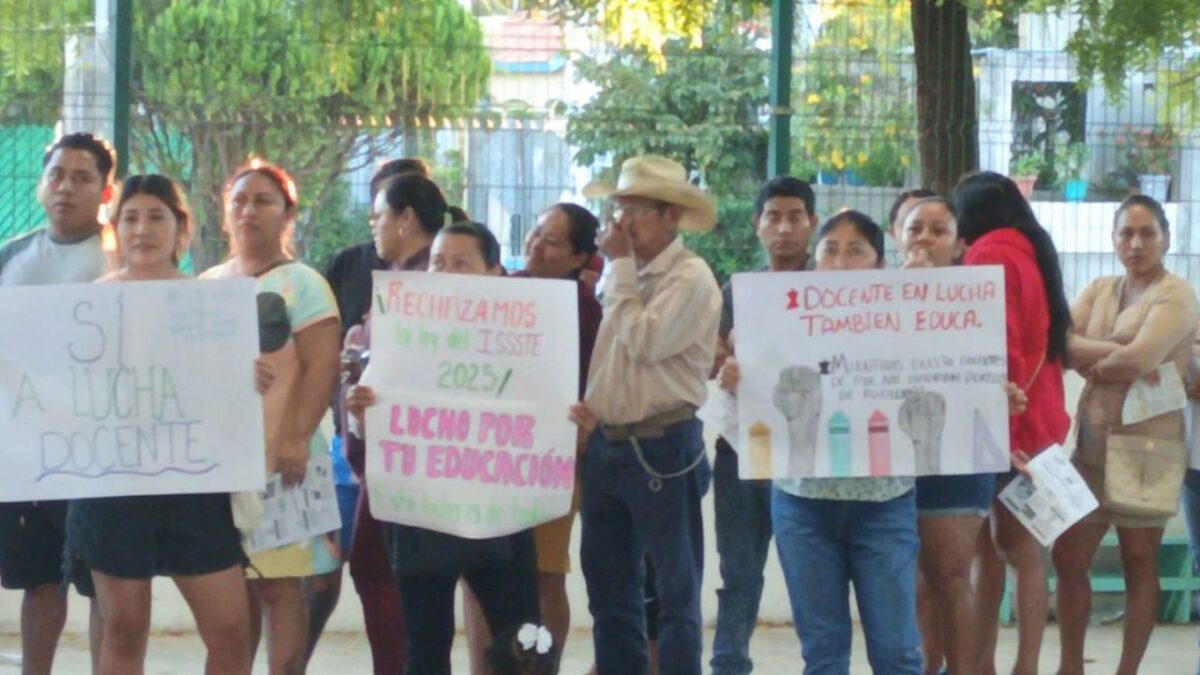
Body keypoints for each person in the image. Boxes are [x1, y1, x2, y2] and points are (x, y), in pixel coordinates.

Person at [66, 174, 255, 675]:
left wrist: (251, 375)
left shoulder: (214, 305)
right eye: (130, 217)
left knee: (232, 631)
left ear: (181, 229)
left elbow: (227, 396)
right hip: (114, 488)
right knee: (124, 630)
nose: (142, 228)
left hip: (196, 485)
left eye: (156, 216)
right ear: (115, 228)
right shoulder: (85, 308)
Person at [721, 211, 922, 674]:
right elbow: (758, 394)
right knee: (824, 651)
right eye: (830, 249)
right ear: (815, 258)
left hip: (884, 503)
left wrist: (990, 395)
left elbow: (946, 377)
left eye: (856, 250)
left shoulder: (908, 321)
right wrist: (738, 379)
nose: (841, 261)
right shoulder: (779, 317)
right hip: (802, 502)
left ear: (878, 263)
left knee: (896, 651)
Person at [346, 220, 542, 674]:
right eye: (437, 262)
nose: (446, 272)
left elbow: (547, 413)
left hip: (502, 512)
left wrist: (570, 421)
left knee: (525, 640)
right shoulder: (399, 329)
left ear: (495, 272)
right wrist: (361, 408)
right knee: (425, 644)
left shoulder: (528, 338)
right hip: (420, 512)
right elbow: (370, 425)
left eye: (461, 263)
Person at [572, 154, 721, 675]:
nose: (621, 222)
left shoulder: (691, 277)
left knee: (674, 591)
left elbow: (644, 341)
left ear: (671, 217)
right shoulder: (623, 273)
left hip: (663, 443)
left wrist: (620, 269)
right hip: (608, 443)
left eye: (635, 210)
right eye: (619, 208)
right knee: (608, 589)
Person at [201, 161, 342, 675]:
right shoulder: (208, 283)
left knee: (282, 588)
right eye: (239, 201)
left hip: (287, 459)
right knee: (233, 591)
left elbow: (322, 365)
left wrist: (296, 439)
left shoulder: (305, 284)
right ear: (224, 213)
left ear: (288, 214)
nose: (249, 211)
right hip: (223, 467)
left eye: (263, 201)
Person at [1052, 195, 1198, 675]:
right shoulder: (1099, 288)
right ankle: (1071, 665)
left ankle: (1127, 671)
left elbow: (1139, 358)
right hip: (1089, 449)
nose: (1135, 244)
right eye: (1126, 234)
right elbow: (1063, 347)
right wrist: (1114, 350)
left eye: (1147, 233)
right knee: (1069, 558)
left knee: (1140, 562)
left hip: (1147, 452)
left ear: (1166, 239)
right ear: (1113, 239)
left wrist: (1103, 357)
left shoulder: (1176, 294)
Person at [0, 132, 117, 675]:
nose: (66, 188)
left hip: (103, 453)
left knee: (106, 584)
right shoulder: (12, 255)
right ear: (42, 187)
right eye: (56, 176)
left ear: (105, 190)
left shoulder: (124, 257)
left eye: (82, 177)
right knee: (39, 579)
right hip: (25, 455)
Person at [952, 172, 1071, 675]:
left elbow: (997, 347)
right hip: (1040, 414)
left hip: (1004, 421)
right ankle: (1011, 663)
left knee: (998, 552)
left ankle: (990, 663)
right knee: (1019, 551)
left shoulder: (987, 255)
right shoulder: (1032, 251)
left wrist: (995, 421)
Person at [322, 163, 439, 674]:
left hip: (408, 456)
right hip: (377, 453)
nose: (373, 227)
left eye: (379, 216)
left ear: (406, 219)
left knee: (377, 569)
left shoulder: (424, 281)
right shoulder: (394, 278)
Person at [709, 176, 815, 675]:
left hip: (810, 453)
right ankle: (729, 662)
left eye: (796, 217)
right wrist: (723, 364)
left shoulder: (832, 291)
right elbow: (709, 359)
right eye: (773, 217)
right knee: (740, 570)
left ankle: (823, 662)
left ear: (811, 224)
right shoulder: (738, 292)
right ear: (757, 226)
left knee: (811, 572)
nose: (785, 227)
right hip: (742, 449)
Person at [899, 197, 995, 675]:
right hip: (894, 457)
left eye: (938, 231)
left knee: (953, 575)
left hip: (958, 456)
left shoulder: (977, 301)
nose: (924, 239)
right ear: (897, 234)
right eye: (915, 228)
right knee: (913, 580)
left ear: (959, 245)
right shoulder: (872, 296)